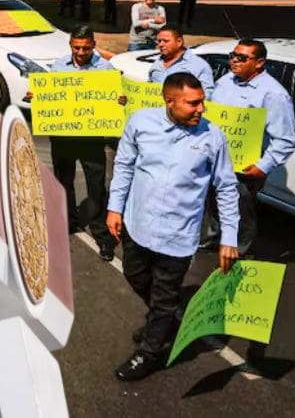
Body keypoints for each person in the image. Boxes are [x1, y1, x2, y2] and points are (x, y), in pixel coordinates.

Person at [106, 71, 240, 382]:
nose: (201, 109)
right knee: (135, 275)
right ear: (170, 101)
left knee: (165, 296)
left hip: (178, 237)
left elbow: (226, 188)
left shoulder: (212, 137)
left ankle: (150, 352)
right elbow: (124, 165)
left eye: (202, 102)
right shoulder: (140, 123)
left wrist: (229, 237)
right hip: (137, 226)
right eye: (193, 104)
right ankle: (162, 319)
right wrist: (115, 207)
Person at [207, 39, 295, 254]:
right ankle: (214, 239)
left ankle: (239, 250)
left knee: (240, 209)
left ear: (259, 63)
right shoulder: (226, 81)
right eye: (233, 55)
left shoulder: (274, 94)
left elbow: (285, 140)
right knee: (213, 203)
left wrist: (263, 167)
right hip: (215, 159)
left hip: (244, 167)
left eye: (242, 57)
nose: (234, 61)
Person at [45, 26, 119, 260]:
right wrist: (37, 97)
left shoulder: (105, 69)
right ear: (70, 45)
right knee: (63, 182)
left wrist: (118, 99)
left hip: (91, 139)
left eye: (86, 48)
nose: (80, 52)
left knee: (96, 187)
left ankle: (101, 235)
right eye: (76, 47)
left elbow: (114, 98)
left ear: (94, 45)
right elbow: (50, 96)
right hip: (63, 137)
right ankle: (68, 221)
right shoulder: (58, 66)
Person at [148, 24, 215, 96]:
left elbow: (207, 94)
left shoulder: (199, 65)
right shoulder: (157, 64)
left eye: (166, 41)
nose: (161, 44)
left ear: (179, 42)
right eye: (159, 41)